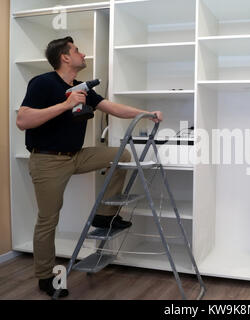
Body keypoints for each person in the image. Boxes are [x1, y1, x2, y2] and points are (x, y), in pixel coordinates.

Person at [16, 36, 163, 298]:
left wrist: (146, 113)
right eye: (77, 51)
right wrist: (66, 104)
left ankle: (104, 216)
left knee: (121, 155)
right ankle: (45, 277)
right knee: (48, 219)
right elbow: (23, 120)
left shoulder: (82, 87)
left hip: (76, 155)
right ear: (64, 57)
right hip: (48, 160)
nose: (82, 55)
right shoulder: (43, 83)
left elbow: (112, 107)